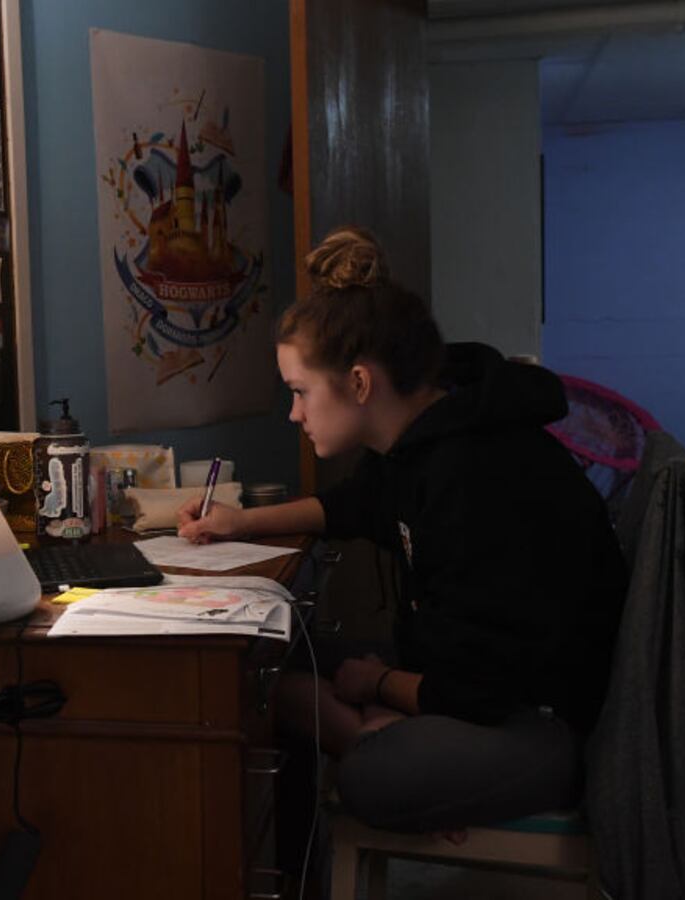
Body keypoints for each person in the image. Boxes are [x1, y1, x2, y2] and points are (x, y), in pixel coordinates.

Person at [178, 226, 627, 835]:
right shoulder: (424, 436)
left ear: (360, 383)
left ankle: (392, 745)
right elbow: (350, 507)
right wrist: (237, 523)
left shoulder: (475, 473)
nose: (295, 414)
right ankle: (393, 741)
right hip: (466, 678)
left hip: (543, 720)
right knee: (271, 664)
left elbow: (484, 684)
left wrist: (383, 685)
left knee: (373, 776)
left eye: (300, 392)